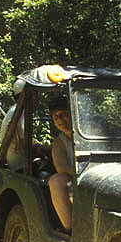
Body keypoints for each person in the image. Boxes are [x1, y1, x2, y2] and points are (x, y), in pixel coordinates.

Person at [48, 96, 74, 232]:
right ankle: (69, 229)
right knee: (56, 181)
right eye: (55, 117)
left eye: (63, 114)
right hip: (75, 179)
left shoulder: (91, 132)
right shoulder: (59, 143)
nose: (59, 120)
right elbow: (62, 167)